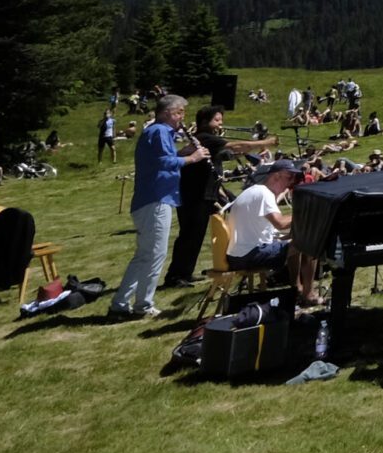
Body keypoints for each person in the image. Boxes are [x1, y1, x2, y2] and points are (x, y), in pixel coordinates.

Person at [107, 95, 209, 321]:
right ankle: (143, 305)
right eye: (179, 113)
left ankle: (120, 304)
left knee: (144, 255)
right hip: (156, 200)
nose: (182, 118)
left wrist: (183, 153)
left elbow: (164, 159)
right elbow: (165, 162)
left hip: (150, 200)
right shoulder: (160, 131)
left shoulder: (158, 132)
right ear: (166, 113)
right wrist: (193, 157)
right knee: (155, 255)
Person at [164, 105, 277, 289]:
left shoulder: (207, 140)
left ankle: (185, 272)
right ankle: (175, 276)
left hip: (207, 193)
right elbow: (235, 145)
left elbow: (231, 152)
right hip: (195, 195)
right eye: (217, 120)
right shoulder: (205, 138)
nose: (220, 123)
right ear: (204, 122)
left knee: (197, 235)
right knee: (189, 235)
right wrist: (267, 142)